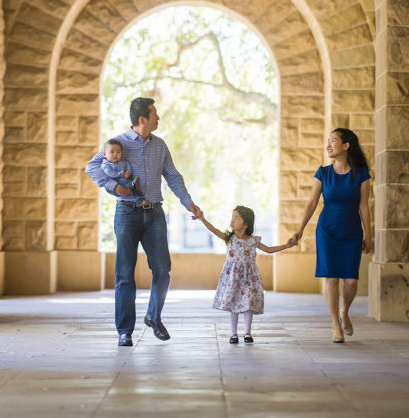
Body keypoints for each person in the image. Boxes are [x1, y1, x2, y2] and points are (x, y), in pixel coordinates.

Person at [85, 97, 202, 347]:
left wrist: (188, 202)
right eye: (154, 114)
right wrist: (114, 186)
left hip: (155, 214)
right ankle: (124, 331)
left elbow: (173, 176)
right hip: (127, 213)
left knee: (162, 270)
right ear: (142, 119)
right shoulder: (119, 143)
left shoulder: (160, 146)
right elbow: (91, 167)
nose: (158, 118)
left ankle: (153, 316)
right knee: (125, 273)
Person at [289, 128, 373, 343]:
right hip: (327, 231)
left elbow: (364, 206)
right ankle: (336, 324)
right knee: (332, 278)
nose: (328, 145)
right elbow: (311, 203)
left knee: (351, 281)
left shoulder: (361, 174)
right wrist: (300, 230)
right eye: (328, 141)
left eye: (333, 141)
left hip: (352, 231)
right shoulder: (323, 172)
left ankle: (345, 311)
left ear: (346, 146)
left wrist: (368, 235)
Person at [197, 206, 295, 344]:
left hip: (249, 278)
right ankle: (233, 333)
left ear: (246, 223)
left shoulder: (253, 240)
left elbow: (269, 249)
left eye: (236, 218)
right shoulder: (229, 238)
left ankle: (248, 333)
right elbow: (213, 230)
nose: (232, 220)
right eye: (232, 217)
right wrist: (202, 219)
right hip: (233, 277)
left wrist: (286, 245)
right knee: (233, 301)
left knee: (248, 303)